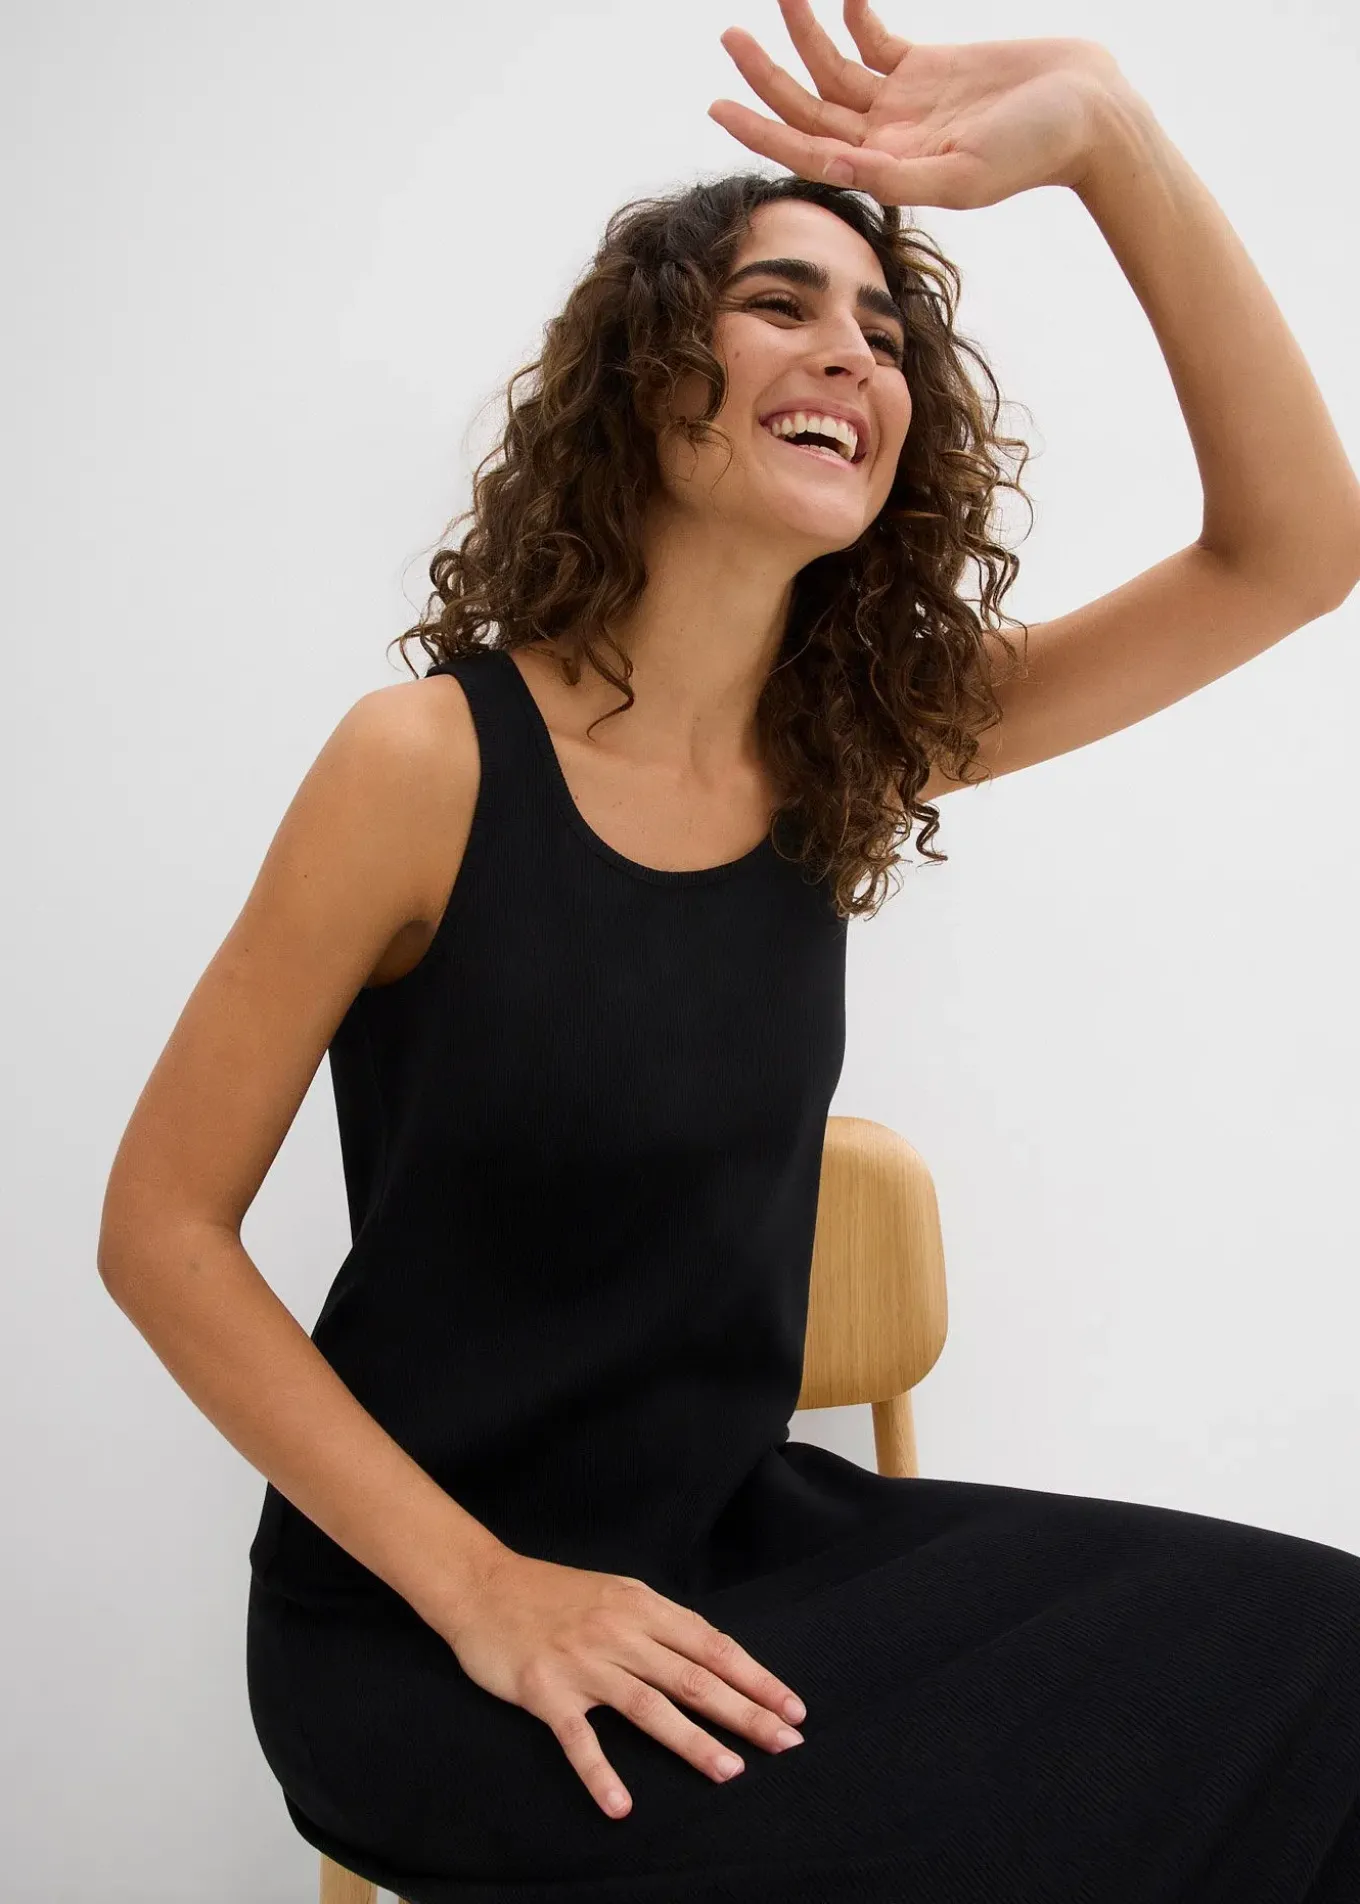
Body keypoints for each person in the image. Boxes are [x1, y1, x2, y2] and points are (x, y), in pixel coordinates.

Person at [97, 8, 1360, 1900]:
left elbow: (1296, 549)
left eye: (887, 334)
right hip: (429, 1628)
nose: (853, 350)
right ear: (641, 381)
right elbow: (160, 1230)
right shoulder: (425, 764)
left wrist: (1109, 136)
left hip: (747, 1558)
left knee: (1327, 1672)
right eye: (782, 303)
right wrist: (488, 1591)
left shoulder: (852, 747)